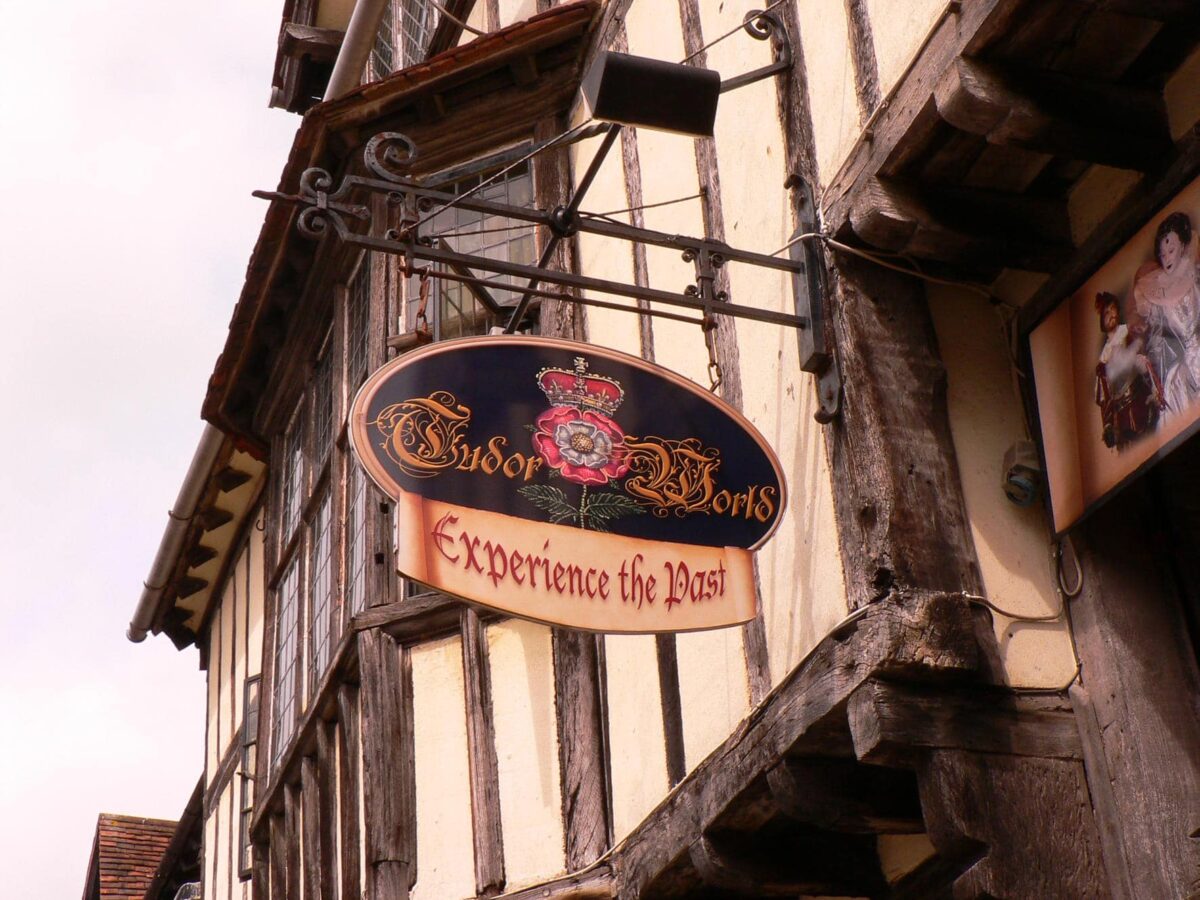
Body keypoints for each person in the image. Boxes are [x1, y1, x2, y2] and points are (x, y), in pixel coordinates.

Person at [1131, 211, 1200, 417]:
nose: (1167, 257)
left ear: (1183, 247)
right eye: (1163, 253)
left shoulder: (1196, 276)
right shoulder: (1160, 299)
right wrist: (1147, 365)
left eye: (1171, 249)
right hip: (1185, 366)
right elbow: (1157, 341)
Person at [1095, 292, 1163, 448]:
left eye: (1113, 310)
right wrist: (1107, 424)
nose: (1112, 315)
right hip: (1121, 416)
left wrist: (1154, 392)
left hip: (1141, 403)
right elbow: (1105, 397)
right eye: (1107, 312)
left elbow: (1148, 361)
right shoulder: (1103, 357)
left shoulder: (1129, 332)